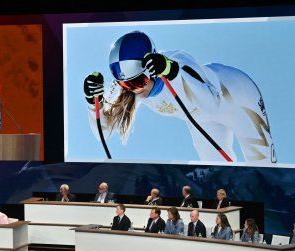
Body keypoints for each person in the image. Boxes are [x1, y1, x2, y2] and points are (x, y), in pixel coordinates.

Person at [83, 31, 276, 164]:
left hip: (237, 98)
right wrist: (93, 103)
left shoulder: (178, 61)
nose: (134, 90)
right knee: (216, 170)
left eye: (138, 81)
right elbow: (104, 132)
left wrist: (173, 72)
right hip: (200, 117)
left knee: (261, 162)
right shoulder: (134, 87)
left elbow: (211, 105)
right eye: (125, 84)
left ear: (151, 70)